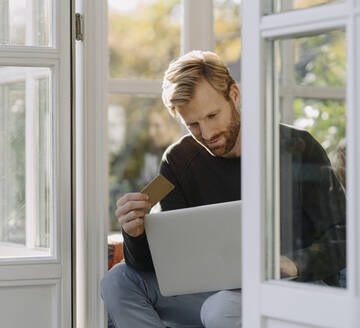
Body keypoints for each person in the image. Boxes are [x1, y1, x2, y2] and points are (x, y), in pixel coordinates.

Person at [101, 51, 346, 328]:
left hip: (290, 288)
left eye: (212, 115)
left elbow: (345, 237)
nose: (206, 134)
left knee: (221, 309)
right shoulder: (178, 160)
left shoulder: (297, 147)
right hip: (212, 292)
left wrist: (293, 263)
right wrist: (134, 234)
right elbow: (163, 264)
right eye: (193, 124)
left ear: (234, 95)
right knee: (118, 281)